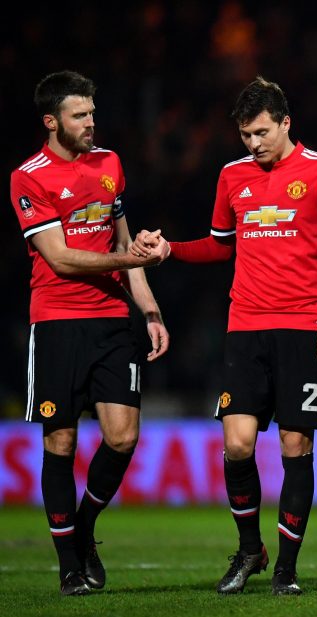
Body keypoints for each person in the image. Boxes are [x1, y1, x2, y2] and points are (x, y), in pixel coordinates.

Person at [132, 77, 317, 595]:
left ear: (285, 123)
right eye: (244, 136)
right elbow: (219, 246)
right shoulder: (233, 176)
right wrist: (171, 251)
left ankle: (287, 567)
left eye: (261, 133)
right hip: (247, 325)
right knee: (237, 444)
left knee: (295, 443)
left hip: (305, 326)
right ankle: (251, 549)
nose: (253, 144)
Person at [9, 70, 170, 596]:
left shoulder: (110, 164)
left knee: (123, 437)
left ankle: (83, 527)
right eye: (80, 116)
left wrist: (149, 311)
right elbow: (58, 257)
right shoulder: (28, 176)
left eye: (93, 113)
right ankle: (68, 565)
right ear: (52, 121)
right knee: (60, 440)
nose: (90, 123)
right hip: (56, 323)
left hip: (110, 321)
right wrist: (126, 258)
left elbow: (127, 245)